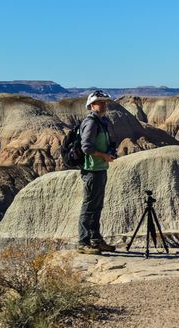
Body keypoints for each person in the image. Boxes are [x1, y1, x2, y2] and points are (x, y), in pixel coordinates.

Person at [77, 90, 118, 254]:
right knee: (89, 206)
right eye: (99, 102)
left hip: (100, 168)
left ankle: (95, 239)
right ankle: (83, 242)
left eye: (104, 102)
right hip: (92, 169)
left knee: (97, 206)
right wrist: (104, 155)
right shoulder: (92, 123)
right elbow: (86, 147)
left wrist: (109, 153)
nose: (103, 105)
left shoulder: (102, 122)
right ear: (91, 105)